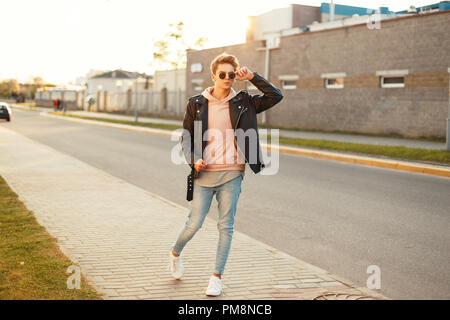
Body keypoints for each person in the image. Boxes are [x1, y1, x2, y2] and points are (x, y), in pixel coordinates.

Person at [170, 53, 283, 296]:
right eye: (222, 74)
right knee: (194, 224)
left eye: (231, 74)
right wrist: (194, 159)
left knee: (226, 226)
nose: (227, 78)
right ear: (213, 76)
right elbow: (186, 138)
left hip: (232, 172)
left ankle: (216, 277)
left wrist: (252, 76)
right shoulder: (197, 104)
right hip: (205, 173)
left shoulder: (244, 102)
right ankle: (175, 253)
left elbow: (276, 95)